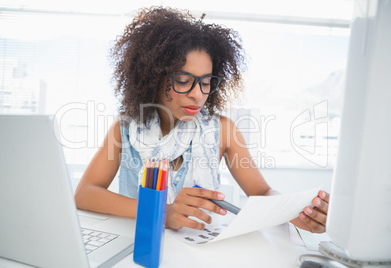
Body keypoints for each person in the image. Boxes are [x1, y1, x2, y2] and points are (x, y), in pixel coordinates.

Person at [74, 6, 329, 233]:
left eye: (206, 83)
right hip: (138, 248)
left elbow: (262, 192)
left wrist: (294, 210)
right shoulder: (125, 129)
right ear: (154, 78)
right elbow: (85, 194)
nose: (198, 94)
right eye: (184, 81)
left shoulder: (224, 130)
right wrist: (162, 213)